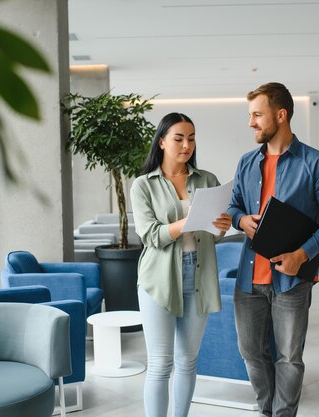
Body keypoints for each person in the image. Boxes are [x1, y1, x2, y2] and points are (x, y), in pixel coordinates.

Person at [227, 82, 319, 417]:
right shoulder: (246, 162)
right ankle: (266, 409)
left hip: (292, 281)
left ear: (280, 115)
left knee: (289, 358)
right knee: (251, 353)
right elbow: (234, 205)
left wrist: (302, 255)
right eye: (250, 115)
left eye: (257, 115)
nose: (251, 122)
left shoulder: (316, 163)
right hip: (249, 278)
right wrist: (240, 221)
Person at [130, 112, 232, 417]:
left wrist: (222, 226)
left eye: (191, 137)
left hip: (198, 275)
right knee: (161, 363)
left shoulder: (207, 180)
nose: (186, 144)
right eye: (178, 138)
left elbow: (213, 234)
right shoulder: (143, 185)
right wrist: (187, 223)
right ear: (161, 142)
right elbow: (150, 235)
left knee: (188, 360)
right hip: (157, 279)